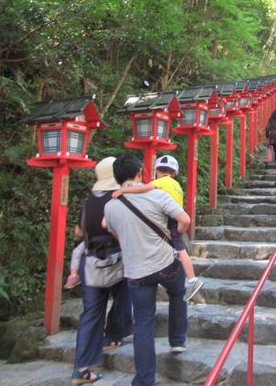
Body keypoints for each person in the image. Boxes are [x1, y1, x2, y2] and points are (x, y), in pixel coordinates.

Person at [104, 154, 191, 386]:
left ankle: (143, 380)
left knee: (143, 322)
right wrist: (176, 235)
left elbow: (112, 230)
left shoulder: (111, 206)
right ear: (141, 172)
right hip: (165, 263)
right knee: (178, 292)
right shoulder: (157, 195)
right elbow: (184, 219)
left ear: (117, 179)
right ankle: (177, 339)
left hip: (136, 270)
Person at [71, 157, 132, 385]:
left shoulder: (88, 202)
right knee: (126, 294)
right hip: (119, 259)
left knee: (90, 315)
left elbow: (78, 231)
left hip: (91, 263)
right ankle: (114, 335)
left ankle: (81, 369)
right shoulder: (119, 199)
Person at [112, 155, 203, 301]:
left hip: (168, 218)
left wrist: (123, 191)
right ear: (175, 173)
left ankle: (190, 279)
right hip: (176, 215)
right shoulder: (177, 185)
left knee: (175, 248)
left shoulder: (160, 181)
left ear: (157, 171)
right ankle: (192, 279)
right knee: (181, 251)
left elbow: (144, 188)